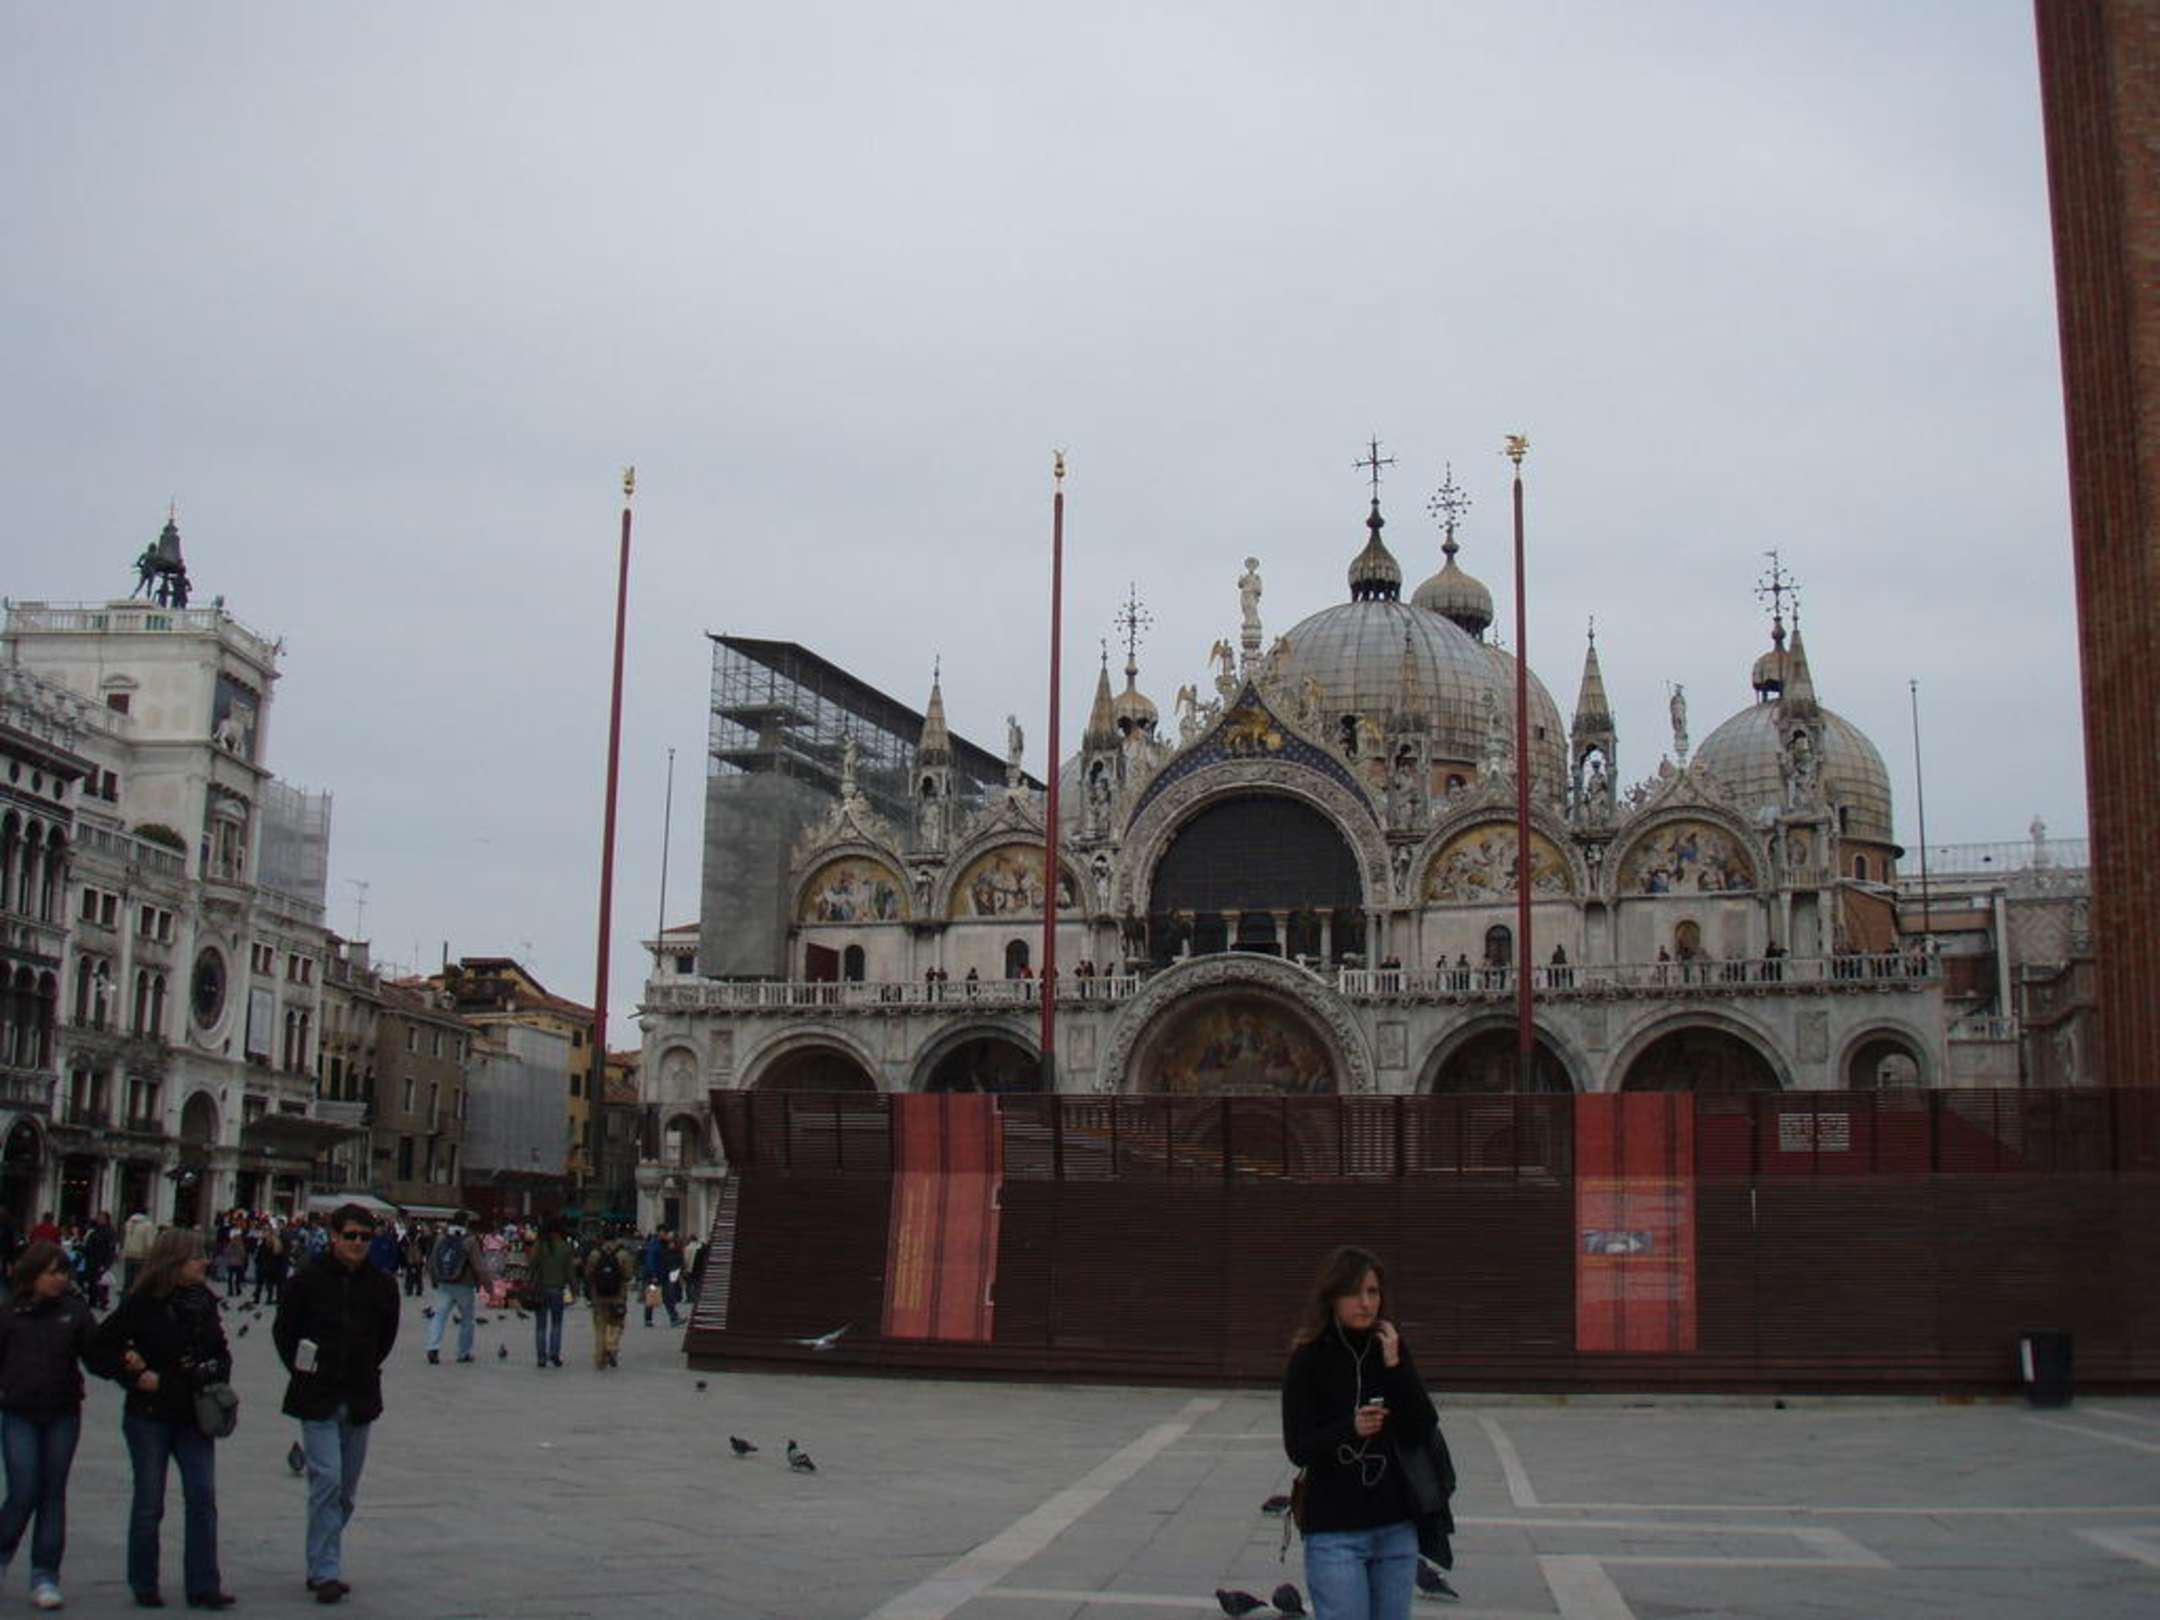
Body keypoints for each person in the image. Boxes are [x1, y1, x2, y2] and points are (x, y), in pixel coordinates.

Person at [1280, 1246, 1440, 1620]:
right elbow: (1298, 1447)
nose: (1366, 1303)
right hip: (1335, 1532)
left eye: (1373, 1292)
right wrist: (1349, 1428)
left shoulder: (1390, 1348)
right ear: (1332, 1296)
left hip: (1395, 1528)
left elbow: (1421, 1428)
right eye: (1354, 1292)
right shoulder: (1308, 1357)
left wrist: (1395, 1366)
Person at [89, 1228, 236, 1610]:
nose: (205, 1262)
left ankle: (203, 1584)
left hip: (193, 1414)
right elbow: (97, 1348)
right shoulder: (142, 1303)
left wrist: (210, 1371)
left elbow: (222, 1353)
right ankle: (144, 1582)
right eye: (196, 1257)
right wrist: (131, 1373)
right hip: (149, 1415)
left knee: (202, 1498)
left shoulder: (204, 1301)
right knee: (149, 1502)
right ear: (174, 1263)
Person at [273, 1203, 399, 1606]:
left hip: (359, 1395)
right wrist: (304, 1370)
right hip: (318, 1395)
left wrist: (364, 1365)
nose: (358, 1243)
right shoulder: (307, 1280)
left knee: (344, 1490)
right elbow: (284, 1331)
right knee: (326, 1479)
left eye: (365, 1237)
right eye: (351, 1236)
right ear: (334, 1236)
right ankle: (325, 1570)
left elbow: (386, 1337)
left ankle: (321, 1556)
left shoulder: (382, 1285)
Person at [0, 1241, 97, 1609]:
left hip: (62, 1411)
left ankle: (45, 1575)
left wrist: (130, 1363)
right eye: (52, 1272)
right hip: (19, 1411)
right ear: (33, 1274)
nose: (60, 1279)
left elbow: (97, 1354)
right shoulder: (10, 1313)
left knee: (53, 1493)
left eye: (64, 1272)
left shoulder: (74, 1312)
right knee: (23, 1489)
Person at [424, 1222, 486, 1365]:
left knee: (439, 1316)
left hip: (444, 1283)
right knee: (467, 1319)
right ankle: (463, 1353)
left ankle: (433, 1347)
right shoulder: (470, 1240)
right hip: (464, 1285)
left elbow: (432, 1259)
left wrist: (434, 1278)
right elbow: (479, 1265)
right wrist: (487, 1285)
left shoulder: (442, 1237)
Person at [523, 1218, 576, 1369]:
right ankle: (554, 1353)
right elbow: (570, 1272)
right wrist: (574, 1289)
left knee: (541, 1325)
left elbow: (532, 1265)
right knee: (556, 1323)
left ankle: (541, 1357)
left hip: (540, 1289)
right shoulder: (565, 1247)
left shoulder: (539, 1246)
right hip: (557, 1289)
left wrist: (528, 1283)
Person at [583, 1231, 634, 1370]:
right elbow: (629, 1275)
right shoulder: (623, 1254)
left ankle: (600, 1358)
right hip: (618, 1296)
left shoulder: (595, 1254)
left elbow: (588, 1273)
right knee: (617, 1324)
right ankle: (612, 1346)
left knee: (600, 1327)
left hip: (599, 1296)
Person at [120, 1211, 156, 1295]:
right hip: (141, 1257)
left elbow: (123, 1239)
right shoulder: (148, 1225)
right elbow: (150, 1243)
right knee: (138, 1282)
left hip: (128, 1255)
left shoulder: (128, 1223)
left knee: (127, 1281)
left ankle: (125, 1296)